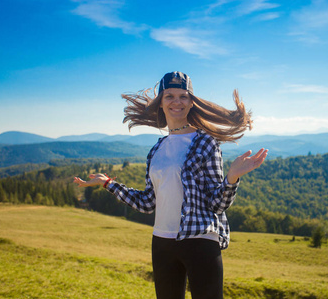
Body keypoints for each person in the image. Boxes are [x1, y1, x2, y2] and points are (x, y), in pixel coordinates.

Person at [74, 71, 268, 299]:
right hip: (162, 242)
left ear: (191, 102)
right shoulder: (156, 150)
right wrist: (108, 183)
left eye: (183, 96)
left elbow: (216, 204)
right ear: (161, 103)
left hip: (200, 240)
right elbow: (147, 203)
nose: (177, 102)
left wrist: (232, 178)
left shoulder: (206, 142)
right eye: (169, 96)